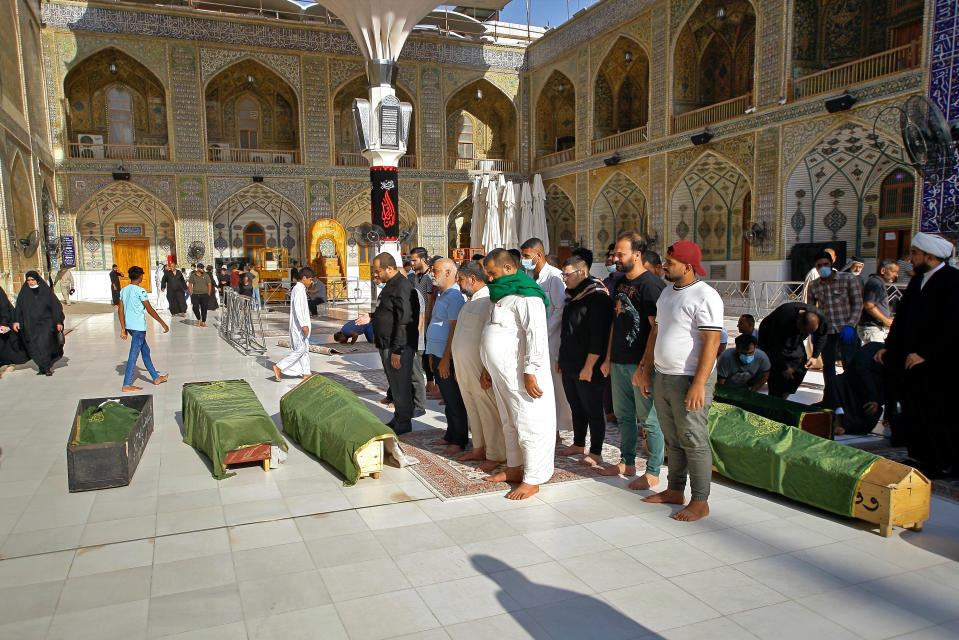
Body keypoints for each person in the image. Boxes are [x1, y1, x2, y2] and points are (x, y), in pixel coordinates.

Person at [639, 241, 723, 522]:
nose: (665, 266)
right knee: (673, 438)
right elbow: (656, 332)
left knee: (693, 439)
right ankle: (675, 489)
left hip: (689, 379)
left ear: (688, 266)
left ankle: (701, 500)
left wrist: (699, 384)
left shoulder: (705, 296)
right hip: (665, 376)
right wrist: (646, 367)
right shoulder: (667, 294)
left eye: (671, 263)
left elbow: (712, 343)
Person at [878, 232, 959, 477]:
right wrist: (889, 347)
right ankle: (922, 457)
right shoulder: (917, 281)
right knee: (915, 410)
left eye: (914, 253)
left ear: (930, 256)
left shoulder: (952, 281)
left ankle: (945, 462)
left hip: (939, 365)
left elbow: (953, 325)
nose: (909, 258)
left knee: (940, 413)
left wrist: (927, 355)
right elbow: (902, 321)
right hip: (911, 363)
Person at [480, 248, 555, 499]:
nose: (489, 279)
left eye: (492, 273)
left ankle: (533, 478)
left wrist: (531, 371)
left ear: (509, 269)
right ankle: (514, 468)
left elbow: (536, 336)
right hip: (502, 375)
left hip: (521, 375)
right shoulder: (502, 296)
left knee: (528, 422)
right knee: (509, 422)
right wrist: (487, 367)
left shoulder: (527, 296)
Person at [599, 231, 665, 490]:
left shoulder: (651, 286)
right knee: (624, 416)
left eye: (620, 254)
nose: (615, 258)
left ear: (637, 254)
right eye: (615, 253)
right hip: (618, 361)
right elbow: (617, 321)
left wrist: (644, 368)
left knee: (649, 419)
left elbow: (656, 330)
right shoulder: (620, 282)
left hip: (640, 364)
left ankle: (653, 470)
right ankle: (627, 462)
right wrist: (608, 357)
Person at [556, 254, 613, 467]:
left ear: (581, 273)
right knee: (576, 406)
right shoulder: (573, 295)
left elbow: (599, 336)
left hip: (588, 365)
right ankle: (579, 443)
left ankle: (596, 451)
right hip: (570, 361)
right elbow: (567, 329)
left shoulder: (597, 296)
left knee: (593, 409)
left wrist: (589, 366)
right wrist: (561, 358)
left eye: (567, 274)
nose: (564, 278)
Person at [451, 260, 505, 471]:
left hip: (479, 368)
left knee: (486, 409)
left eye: (461, 280)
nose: (459, 284)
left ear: (473, 278)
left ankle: (495, 454)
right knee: (472, 408)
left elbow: (489, 338)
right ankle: (479, 448)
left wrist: (486, 369)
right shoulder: (470, 301)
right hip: (465, 368)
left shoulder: (488, 301)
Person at [520, 237, 571, 434]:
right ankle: (549, 427)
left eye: (526, 256)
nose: (524, 260)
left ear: (539, 255)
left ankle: (559, 429)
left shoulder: (554, 277)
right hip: (536, 339)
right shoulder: (531, 278)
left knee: (555, 386)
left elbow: (560, 309)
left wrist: (543, 331)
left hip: (552, 339)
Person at [371, 253, 419, 435]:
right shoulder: (391, 285)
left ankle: (404, 421)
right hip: (387, 343)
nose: (376, 275)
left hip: (396, 345)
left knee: (401, 385)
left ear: (389, 268)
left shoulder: (402, 286)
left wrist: (398, 350)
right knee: (394, 383)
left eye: (378, 271)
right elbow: (389, 313)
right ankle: (398, 416)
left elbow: (404, 321)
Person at [426, 258, 469, 454]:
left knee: (454, 398)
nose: (432, 273)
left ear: (448, 273)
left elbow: (454, 329)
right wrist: (431, 355)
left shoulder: (454, 296)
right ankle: (450, 434)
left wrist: (445, 359)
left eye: (435, 270)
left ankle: (459, 439)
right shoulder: (443, 294)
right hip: (437, 353)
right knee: (447, 397)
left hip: (447, 356)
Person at [808, 250, 863, 400]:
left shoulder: (848, 279)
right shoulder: (814, 286)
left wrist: (851, 325)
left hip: (846, 329)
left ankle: (850, 397)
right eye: (819, 266)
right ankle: (830, 398)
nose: (823, 268)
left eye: (825, 264)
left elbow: (858, 304)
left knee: (848, 363)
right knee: (828, 366)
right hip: (827, 331)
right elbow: (812, 309)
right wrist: (814, 330)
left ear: (831, 264)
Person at [758, 302, 828, 398]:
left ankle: (784, 397)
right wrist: (784, 367)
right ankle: (774, 399)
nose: (806, 334)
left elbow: (822, 335)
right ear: (798, 321)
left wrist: (815, 356)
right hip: (769, 336)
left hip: (793, 337)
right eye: (804, 331)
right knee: (777, 373)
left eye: (809, 332)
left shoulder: (820, 318)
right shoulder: (784, 316)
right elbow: (775, 347)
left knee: (800, 365)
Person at [118, 265, 169, 391]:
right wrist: (162, 322)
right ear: (140, 276)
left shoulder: (124, 290)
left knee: (145, 351)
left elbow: (120, 310)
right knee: (133, 355)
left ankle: (156, 377)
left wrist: (123, 328)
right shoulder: (141, 291)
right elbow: (149, 309)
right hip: (138, 327)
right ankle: (126, 384)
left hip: (130, 326)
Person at [824, 342, 886, 436]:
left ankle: (849, 426)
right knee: (835, 382)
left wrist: (877, 401)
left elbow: (892, 386)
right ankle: (838, 422)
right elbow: (860, 370)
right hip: (850, 386)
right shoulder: (872, 348)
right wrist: (872, 396)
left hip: (869, 400)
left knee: (865, 420)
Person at [12, 271, 65, 376]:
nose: (30, 282)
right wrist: (17, 321)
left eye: (32, 280)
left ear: (37, 280)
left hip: (46, 323)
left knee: (44, 344)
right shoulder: (24, 293)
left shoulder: (46, 292)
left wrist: (58, 321)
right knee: (34, 346)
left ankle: (47, 367)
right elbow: (19, 308)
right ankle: (42, 367)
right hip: (30, 325)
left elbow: (56, 307)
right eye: (28, 280)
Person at [272, 267, 316, 381]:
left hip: (302, 324)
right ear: (304, 278)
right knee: (300, 349)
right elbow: (298, 309)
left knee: (304, 349)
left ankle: (306, 372)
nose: (311, 282)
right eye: (310, 279)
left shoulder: (301, 289)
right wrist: (303, 325)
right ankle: (279, 367)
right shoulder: (298, 289)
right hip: (299, 326)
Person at [409, 247, 436, 398]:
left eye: (414, 260)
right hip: (416, 319)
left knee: (427, 353)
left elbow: (430, 302)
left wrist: (426, 323)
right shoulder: (413, 277)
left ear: (423, 259)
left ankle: (432, 382)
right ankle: (427, 382)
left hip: (425, 320)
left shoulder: (428, 278)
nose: (412, 263)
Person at [859, 259, 899, 344]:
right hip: (873, 329)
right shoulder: (876, 283)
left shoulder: (878, 283)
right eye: (893, 271)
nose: (896, 275)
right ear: (883, 270)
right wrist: (885, 320)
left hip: (876, 328)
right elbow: (868, 305)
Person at [0, 284, 28, 375]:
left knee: (8, 344)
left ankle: (10, 363)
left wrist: (4, 323)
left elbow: (3, 306)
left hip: (4, 318)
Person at [188, 262, 212, 327]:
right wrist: (191, 294)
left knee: (204, 308)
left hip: (204, 294)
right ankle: (199, 320)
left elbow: (209, 284)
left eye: (203, 268)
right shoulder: (193, 275)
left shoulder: (206, 275)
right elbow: (190, 285)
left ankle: (203, 322)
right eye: (201, 268)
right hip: (195, 294)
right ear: (198, 268)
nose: (202, 269)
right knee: (195, 308)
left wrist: (208, 294)